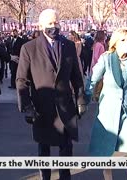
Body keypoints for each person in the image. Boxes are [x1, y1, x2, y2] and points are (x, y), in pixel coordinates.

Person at [16, 9, 86, 180]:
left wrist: (81, 99)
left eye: (56, 23)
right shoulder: (29, 48)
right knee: (44, 148)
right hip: (42, 108)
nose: (53, 26)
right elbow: (22, 80)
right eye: (49, 23)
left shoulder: (68, 46)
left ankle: (65, 176)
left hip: (65, 107)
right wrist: (26, 106)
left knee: (66, 147)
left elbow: (77, 76)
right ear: (41, 26)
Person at [86, 28, 127, 180]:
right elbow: (93, 79)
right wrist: (85, 97)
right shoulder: (106, 59)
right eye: (122, 40)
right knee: (107, 149)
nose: (126, 43)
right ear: (115, 43)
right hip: (109, 111)